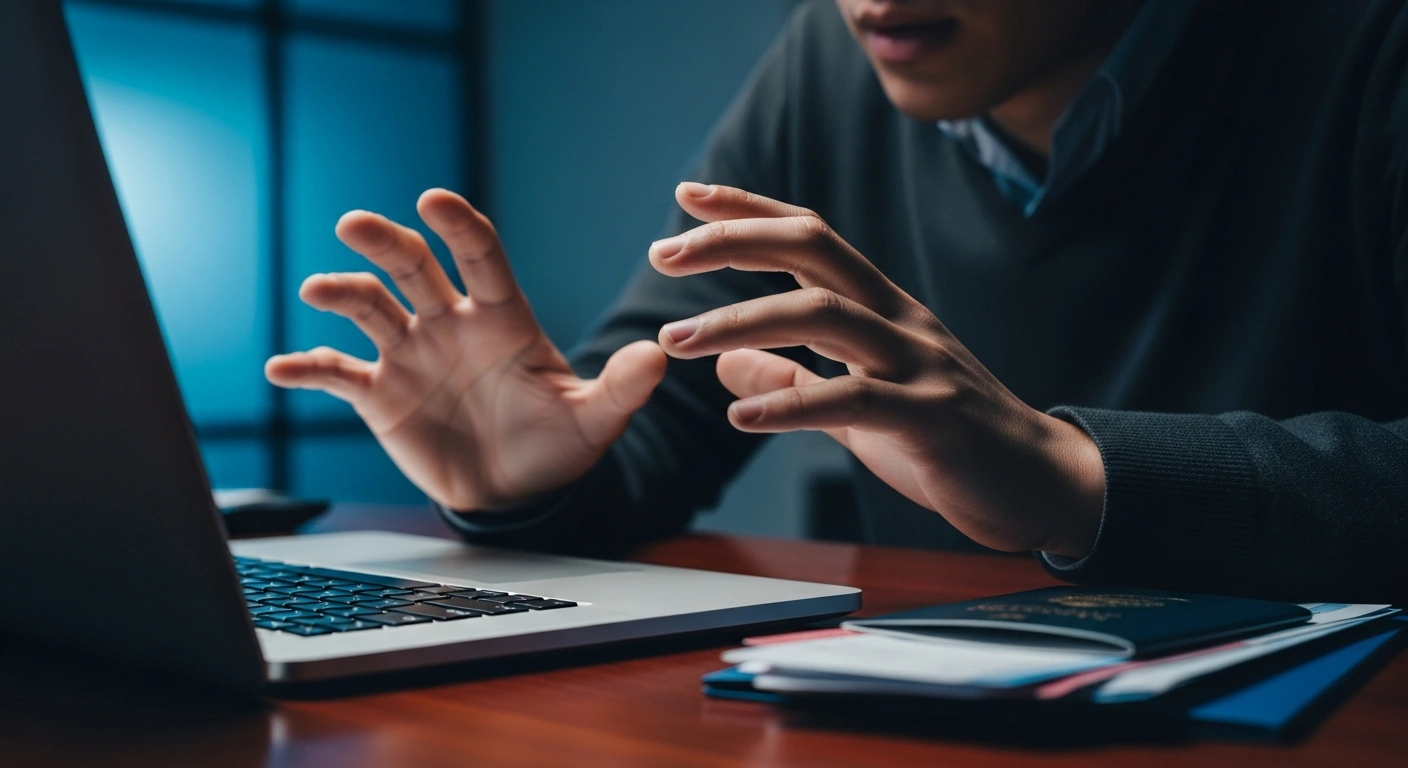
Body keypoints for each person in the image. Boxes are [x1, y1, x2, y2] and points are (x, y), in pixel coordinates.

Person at [265, 0, 1408, 603]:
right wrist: (535, 476)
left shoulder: (1367, 42)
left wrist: (1075, 478)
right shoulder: (833, 54)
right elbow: (655, 399)